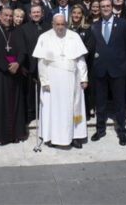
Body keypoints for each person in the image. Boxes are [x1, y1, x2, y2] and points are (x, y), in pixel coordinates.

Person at [33, 14, 88, 148]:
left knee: (74, 107)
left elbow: (80, 60)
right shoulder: (44, 37)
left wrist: (84, 78)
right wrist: (45, 81)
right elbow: (41, 62)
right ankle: (51, 137)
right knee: (53, 110)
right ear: (52, 24)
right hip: (53, 80)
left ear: (66, 24)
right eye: (57, 24)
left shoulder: (74, 36)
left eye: (62, 24)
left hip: (72, 79)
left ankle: (75, 136)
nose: (60, 27)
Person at [90, 0, 126, 146]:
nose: (105, 8)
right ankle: (100, 129)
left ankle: (121, 131)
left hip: (118, 69)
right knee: (100, 102)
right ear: (99, 9)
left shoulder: (123, 24)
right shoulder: (94, 26)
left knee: (120, 102)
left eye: (108, 6)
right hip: (100, 69)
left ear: (112, 7)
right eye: (102, 6)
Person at [0, 7, 27, 146]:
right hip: (0, 74)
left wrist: (18, 63)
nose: (8, 18)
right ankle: (0, 136)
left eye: (11, 16)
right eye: (6, 16)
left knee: (15, 105)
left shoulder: (18, 31)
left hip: (16, 73)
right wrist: (7, 67)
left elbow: (23, 50)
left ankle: (15, 134)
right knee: (0, 105)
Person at [21, 5, 51, 123]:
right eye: (34, 12)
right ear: (29, 14)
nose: (36, 14)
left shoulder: (49, 27)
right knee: (30, 92)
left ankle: (45, 112)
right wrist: (23, 65)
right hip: (30, 65)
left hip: (46, 65)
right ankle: (31, 113)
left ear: (42, 13)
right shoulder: (23, 28)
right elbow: (22, 48)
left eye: (38, 12)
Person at [68, 4, 95, 119]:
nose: (76, 15)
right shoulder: (66, 28)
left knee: (84, 89)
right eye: (74, 13)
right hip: (69, 65)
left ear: (82, 15)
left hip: (84, 64)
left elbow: (89, 47)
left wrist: (79, 57)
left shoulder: (87, 28)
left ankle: (86, 111)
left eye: (79, 13)